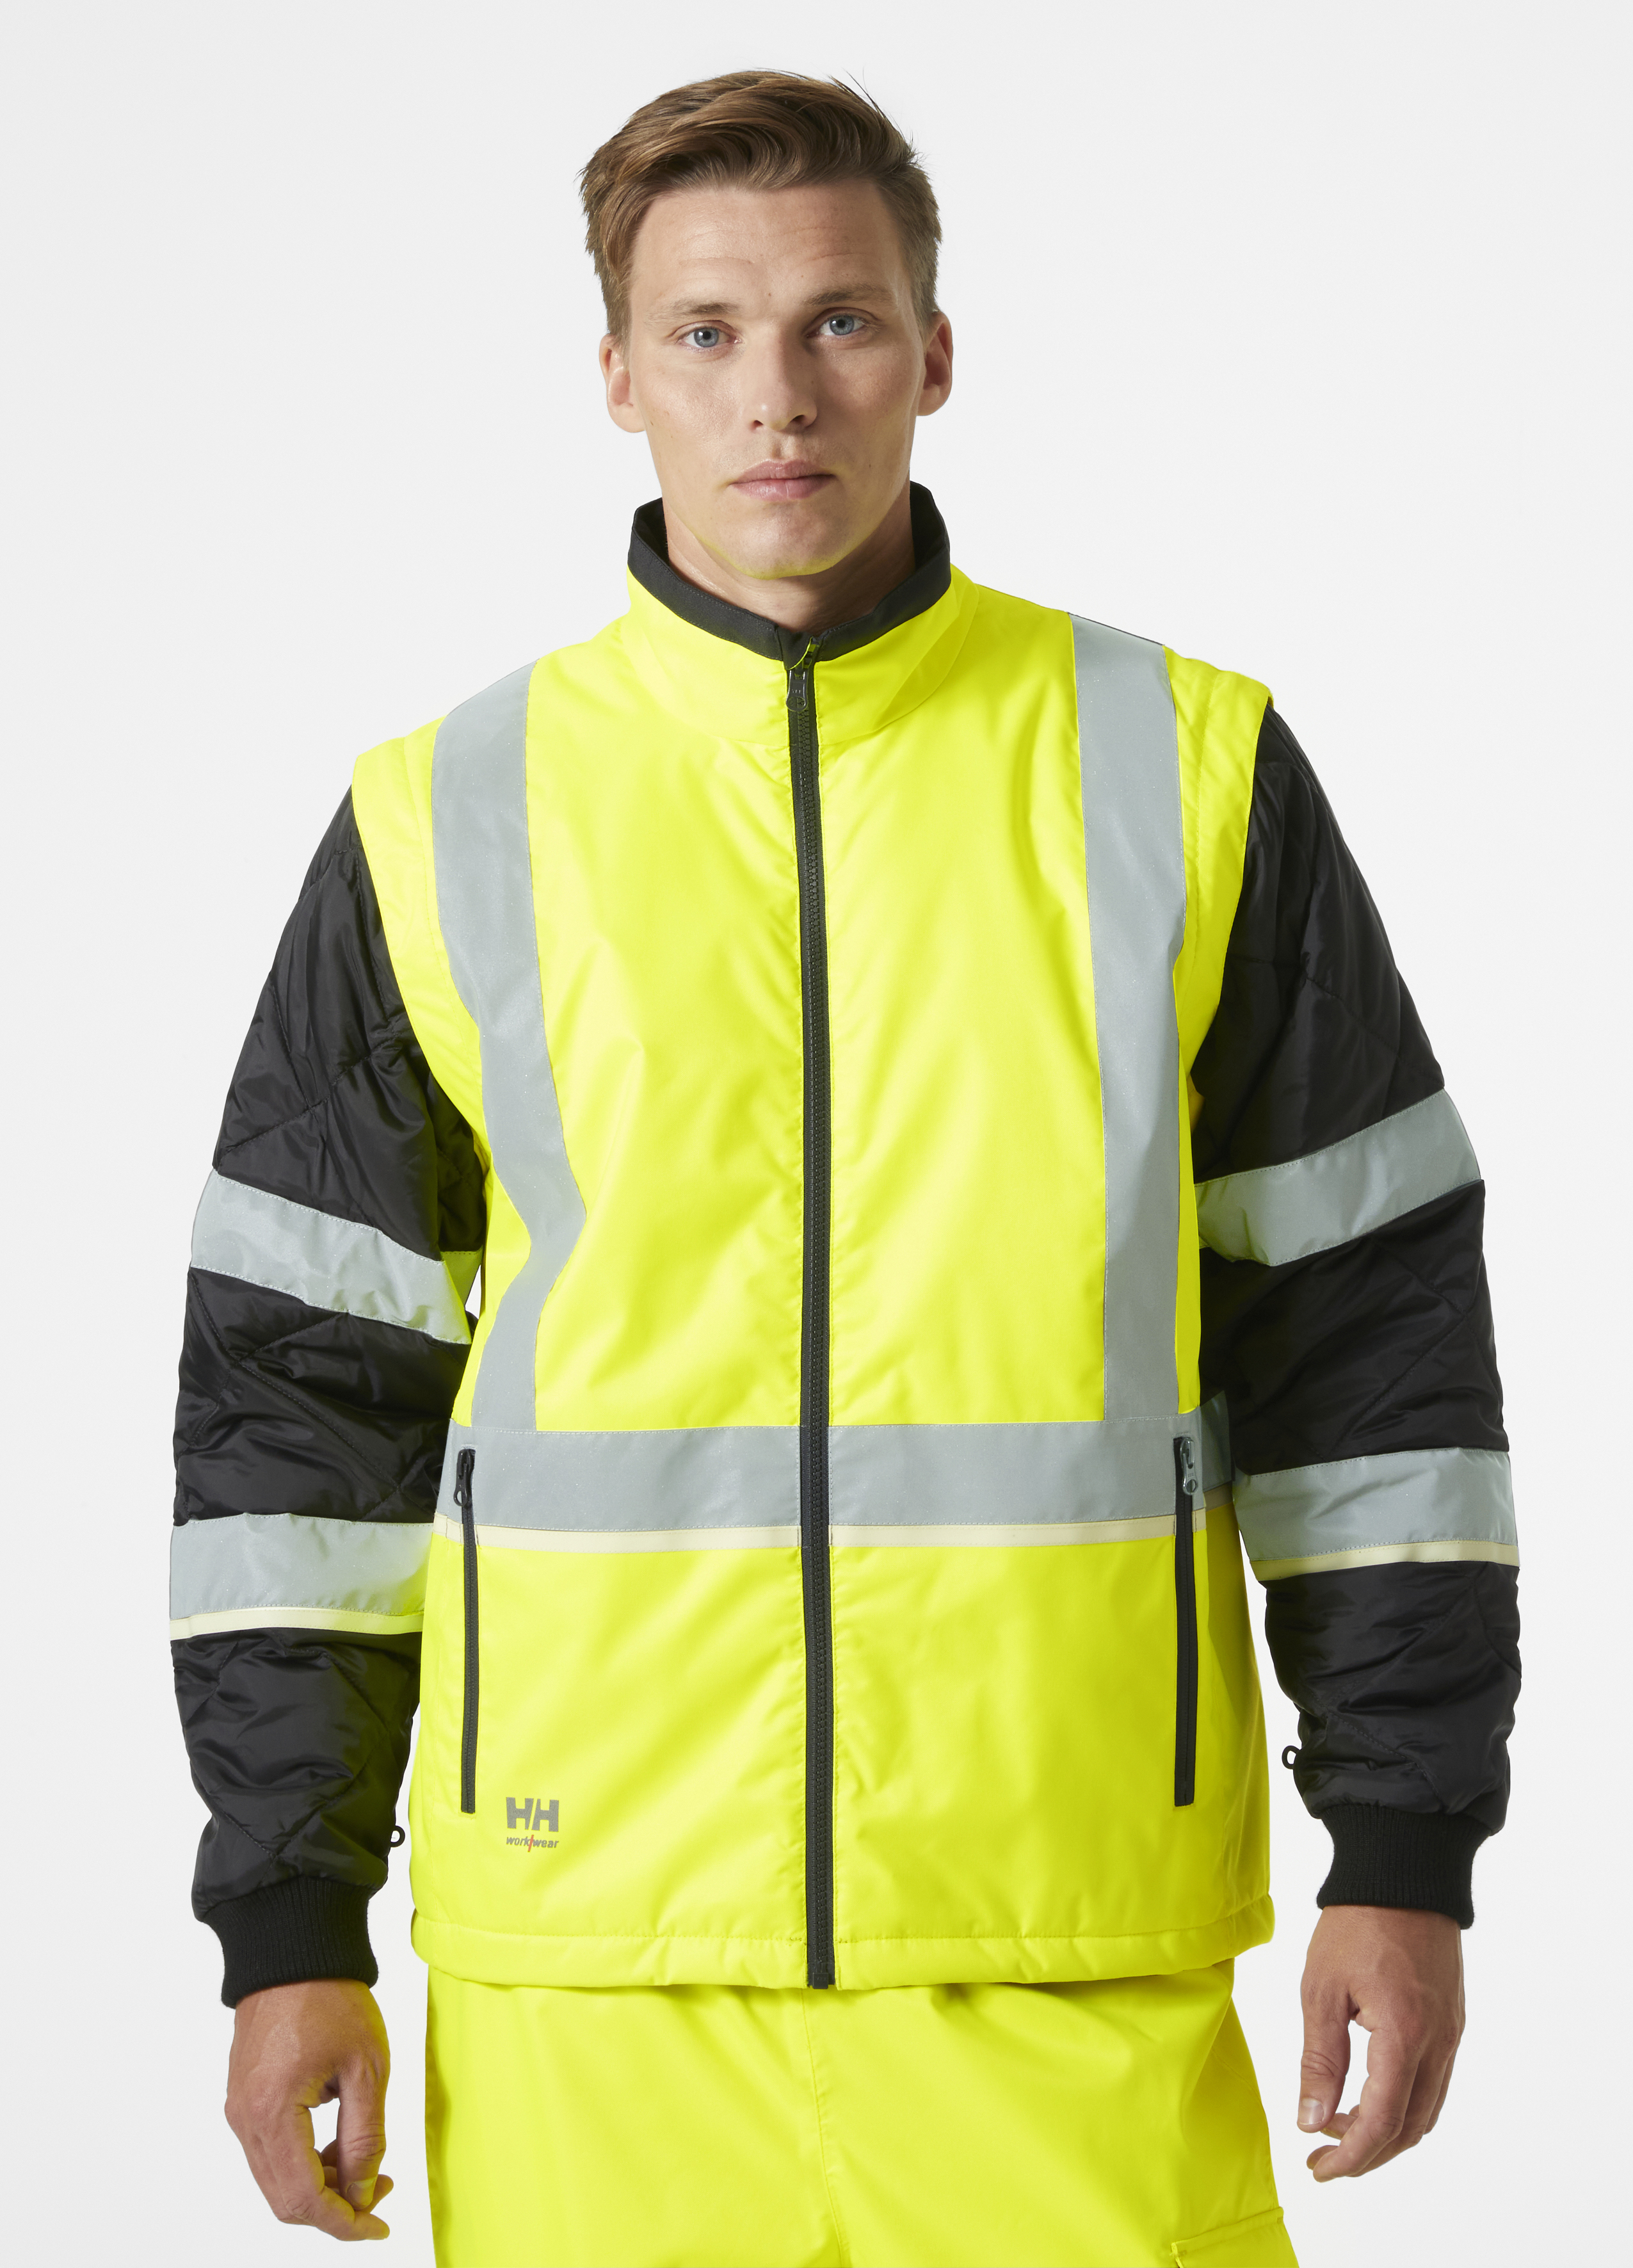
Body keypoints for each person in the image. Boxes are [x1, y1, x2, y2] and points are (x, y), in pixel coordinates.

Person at [171, 69, 1520, 2267]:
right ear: (616, 374)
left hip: (1064, 1928)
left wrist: (1403, 1843)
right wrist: (285, 1916)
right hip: (594, 1951)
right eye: (704, 331)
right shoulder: (450, 813)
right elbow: (294, 1411)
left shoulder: (1183, 768)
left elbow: (1372, 1339)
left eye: (840, 322)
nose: (775, 396)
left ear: (935, 353)